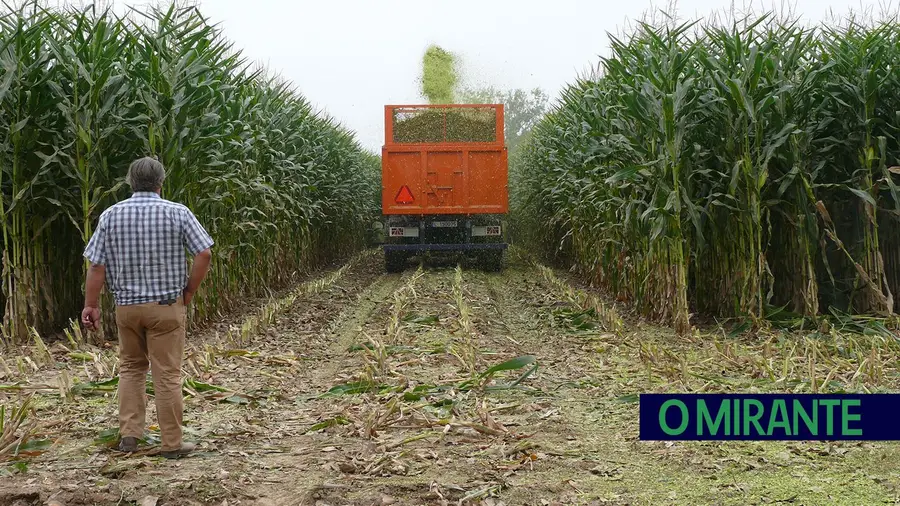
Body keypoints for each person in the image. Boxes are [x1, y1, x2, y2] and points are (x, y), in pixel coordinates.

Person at [81, 156, 214, 459]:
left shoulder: (111, 215)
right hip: (166, 306)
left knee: (130, 369)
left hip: (127, 308)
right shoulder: (177, 212)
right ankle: (171, 444)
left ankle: (130, 437)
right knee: (166, 374)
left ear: (130, 181)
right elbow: (204, 253)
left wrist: (91, 305)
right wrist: (189, 291)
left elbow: (97, 265)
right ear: (160, 182)